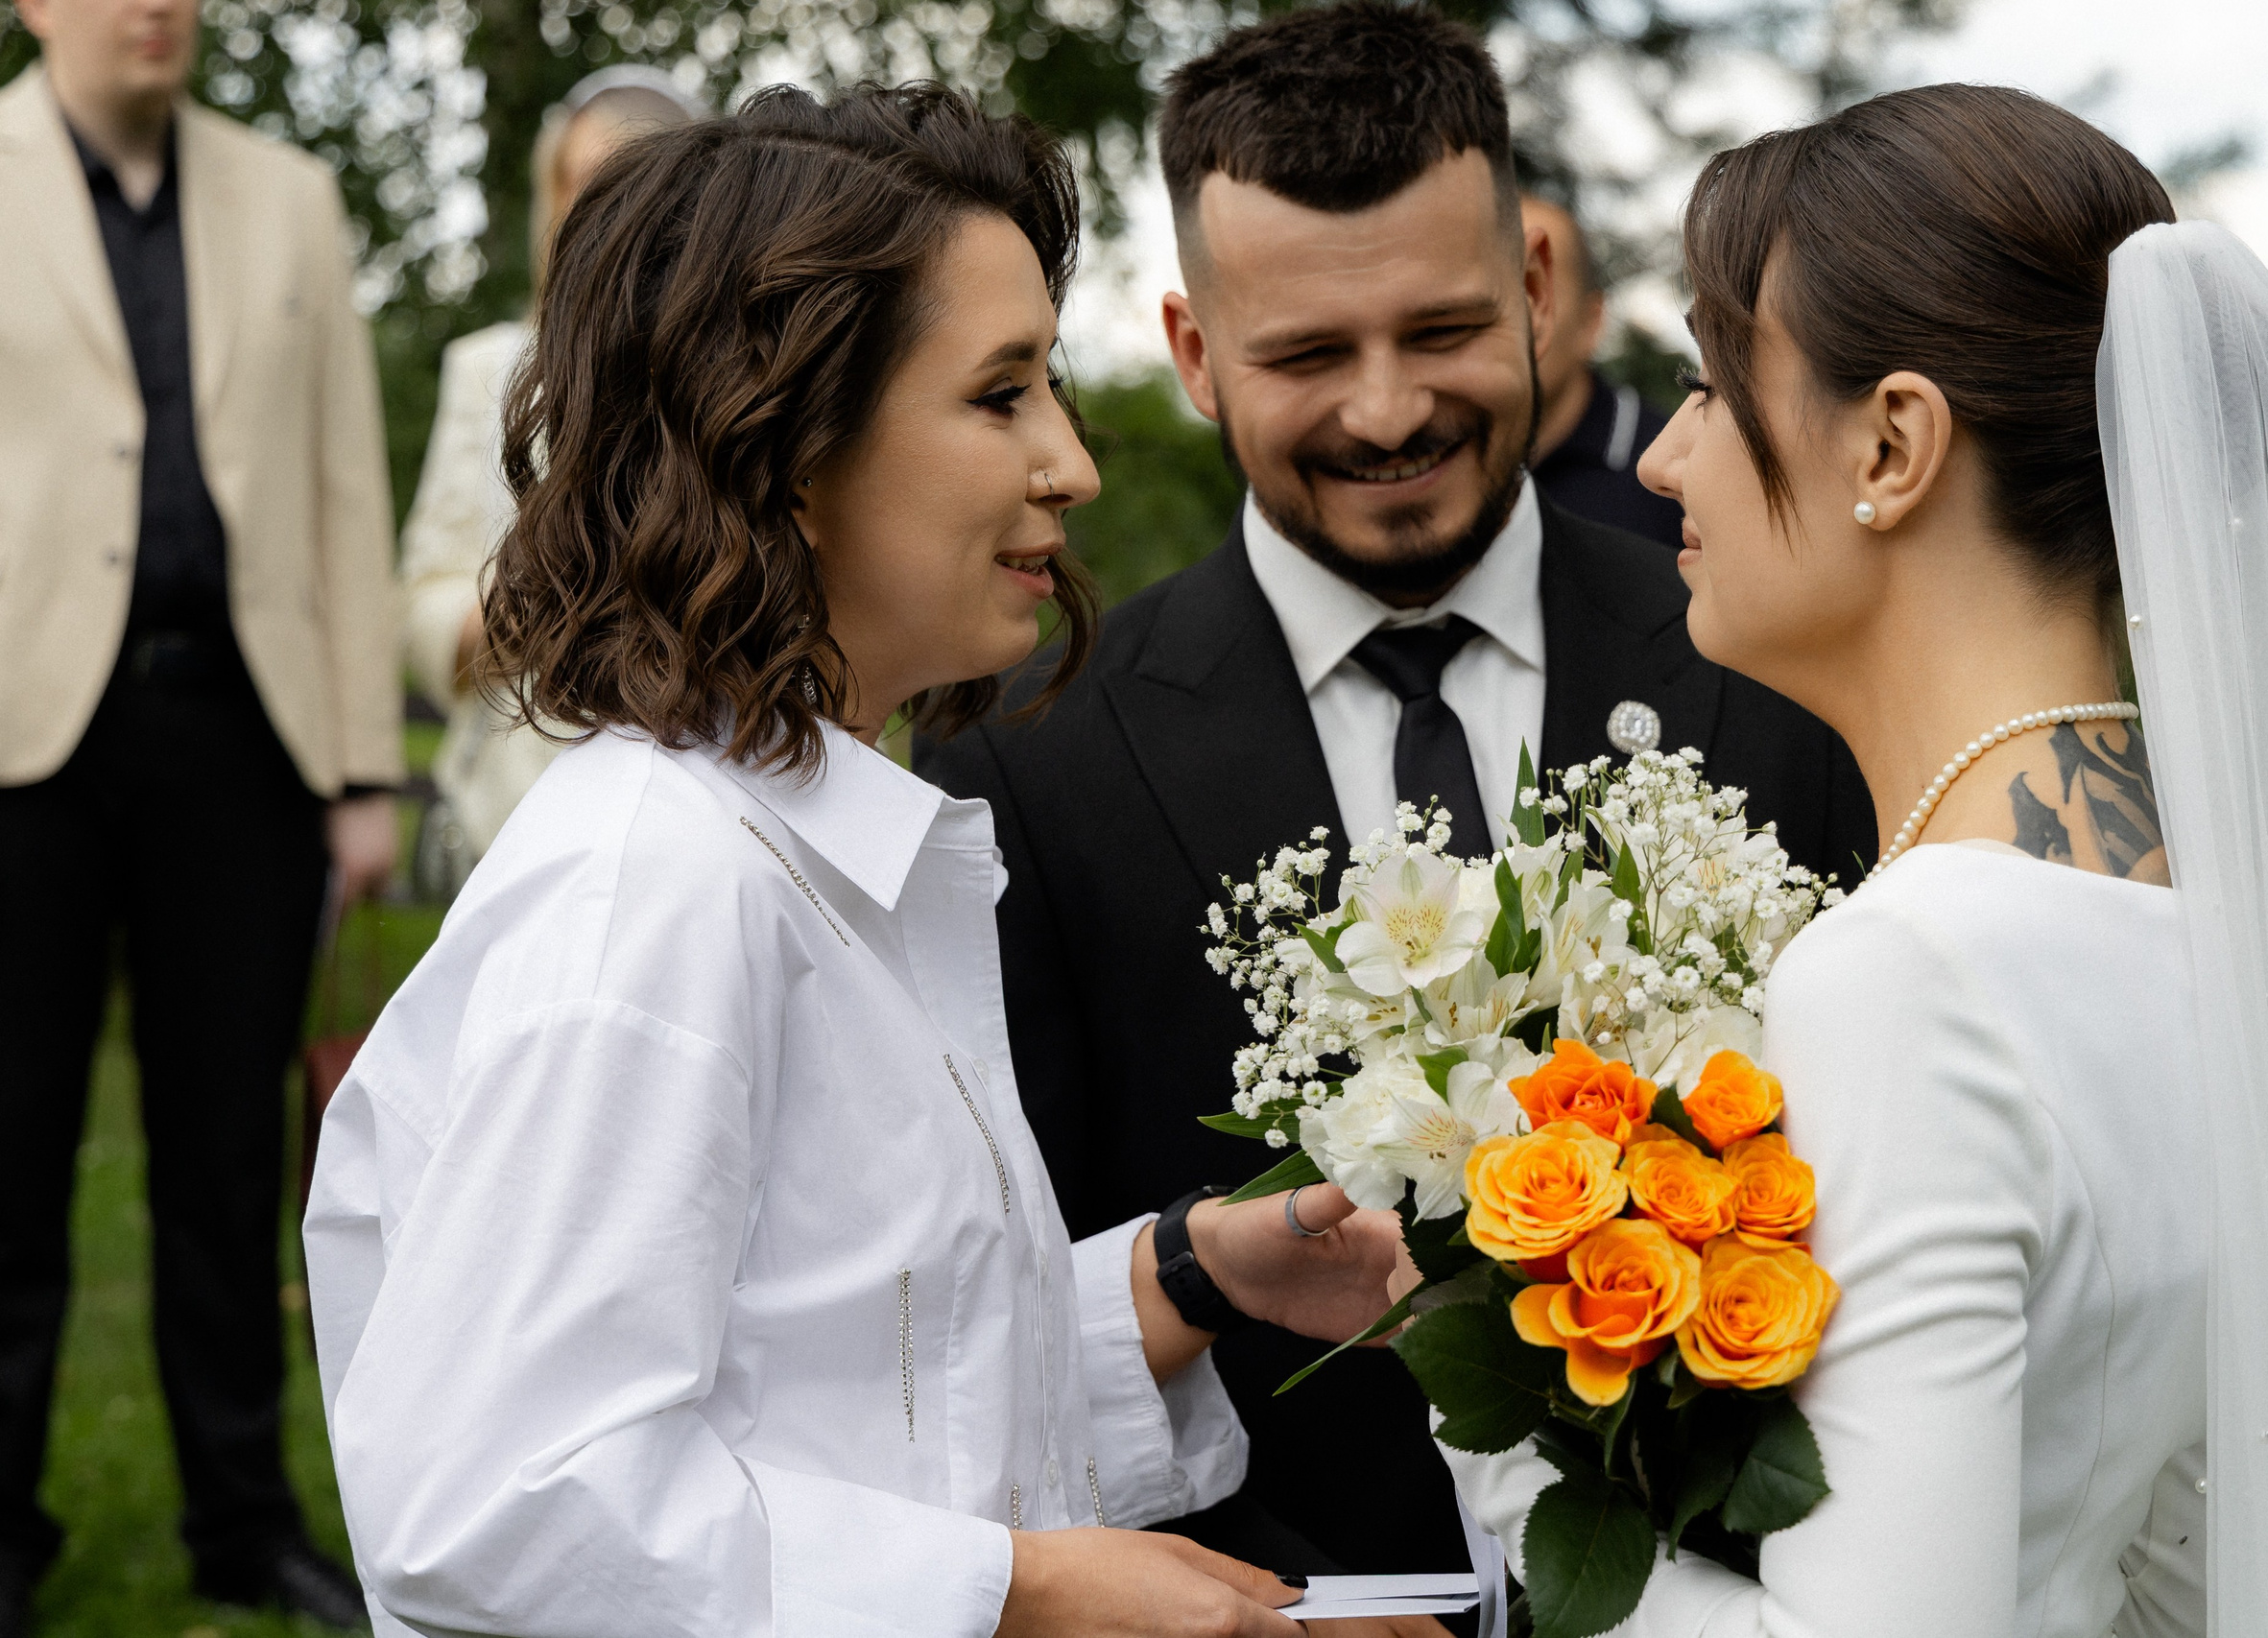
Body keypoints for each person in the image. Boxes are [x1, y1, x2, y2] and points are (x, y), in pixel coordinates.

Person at [305, 83, 1415, 1638]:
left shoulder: (813, 847)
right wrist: (1026, 1591)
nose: (1072, 463)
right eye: (1001, 393)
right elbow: (503, 1500)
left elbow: (856, 1385)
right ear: (785, 444)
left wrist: (1182, 1276)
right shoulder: (654, 892)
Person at [1444, 83, 2268, 1634]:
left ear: (1895, 441)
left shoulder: (1913, 973)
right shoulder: (2220, 912)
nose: (1666, 459)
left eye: (1713, 383)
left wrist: (1492, 1438)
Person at [914, 0, 1875, 1588]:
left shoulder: (1781, 668)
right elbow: (1006, 1302)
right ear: (1194, 354)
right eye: (1307, 354)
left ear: (1538, 289)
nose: (1387, 412)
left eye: (1440, 332)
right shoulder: (1027, 754)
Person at [0, 0, 397, 1625]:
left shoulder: (291, 197)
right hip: (21, 745)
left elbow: (344, 484)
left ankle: (243, 1521)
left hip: (246, 740)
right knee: (8, 1151)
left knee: (229, 1163)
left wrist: (362, 765)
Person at [397, 67, 702, 887]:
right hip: (514, 818)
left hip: (694, 819)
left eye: (623, 179)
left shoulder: (743, 379)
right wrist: (527, 607)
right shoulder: (487, 371)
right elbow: (423, 600)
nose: (591, 206)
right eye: (575, 181)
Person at [1519, 190, 1685, 545]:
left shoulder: (1670, 476)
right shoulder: (1436, 464)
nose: (1511, 317)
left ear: (1591, 322)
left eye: (1533, 291)